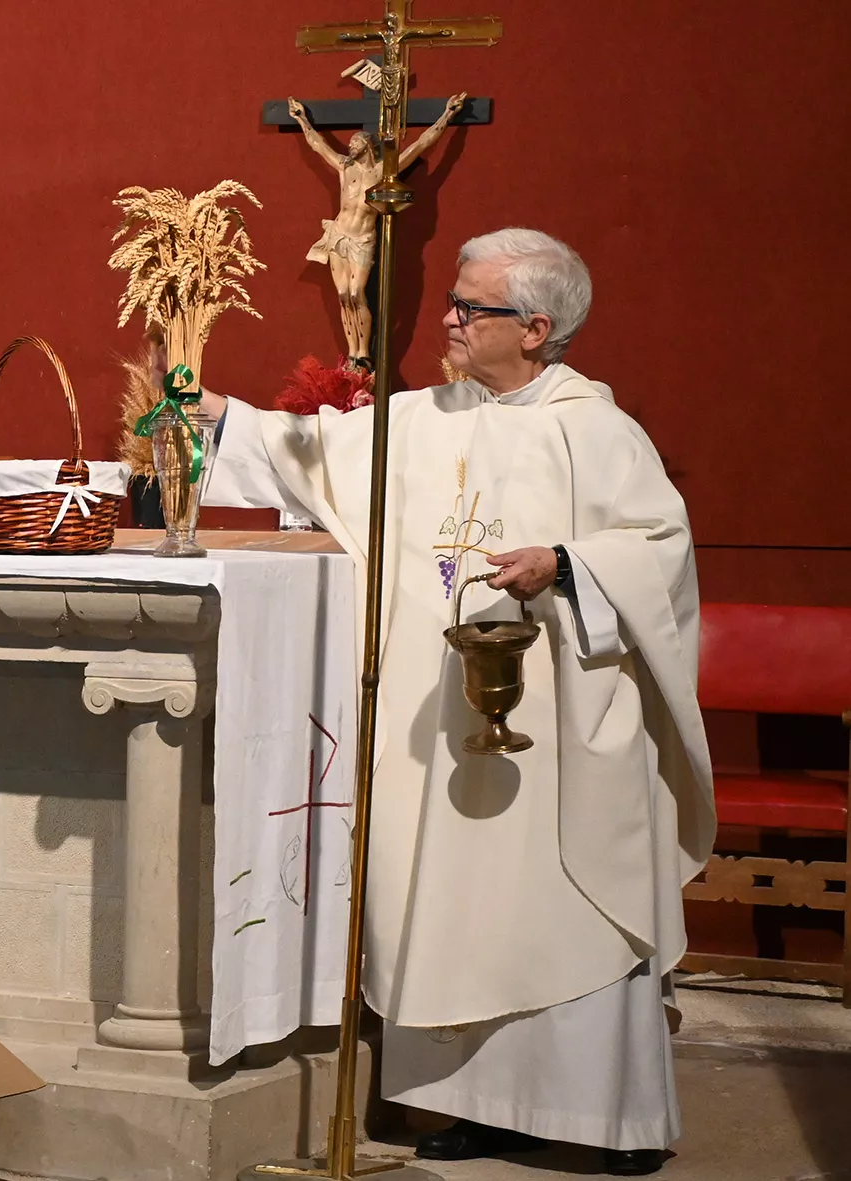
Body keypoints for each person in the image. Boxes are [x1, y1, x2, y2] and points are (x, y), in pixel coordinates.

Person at [197, 228, 716, 1176]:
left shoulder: (592, 429)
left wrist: (562, 563)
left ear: (535, 327)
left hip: (559, 718)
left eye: (471, 306)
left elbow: (660, 550)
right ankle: (470, 1103)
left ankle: (601, 1116)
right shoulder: (420, 419)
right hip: (441, 720)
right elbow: (303, 455)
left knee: (562, 903)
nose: (448, 317)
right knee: (453, 899)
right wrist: (205, 407)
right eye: (456, 300)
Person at [288, 93, 466, 366]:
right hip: (339, 235)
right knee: (343, 295)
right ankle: (353, 354)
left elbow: (421, 145)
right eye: (350, 143)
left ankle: (364, 352)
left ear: (368, 146)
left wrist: (447, 115)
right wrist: (302, 120)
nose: (350, 146)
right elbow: (317, 145)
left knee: (357, 292)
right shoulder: (344, 168)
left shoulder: (384, 171)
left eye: (356, 142)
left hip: (363, 238)